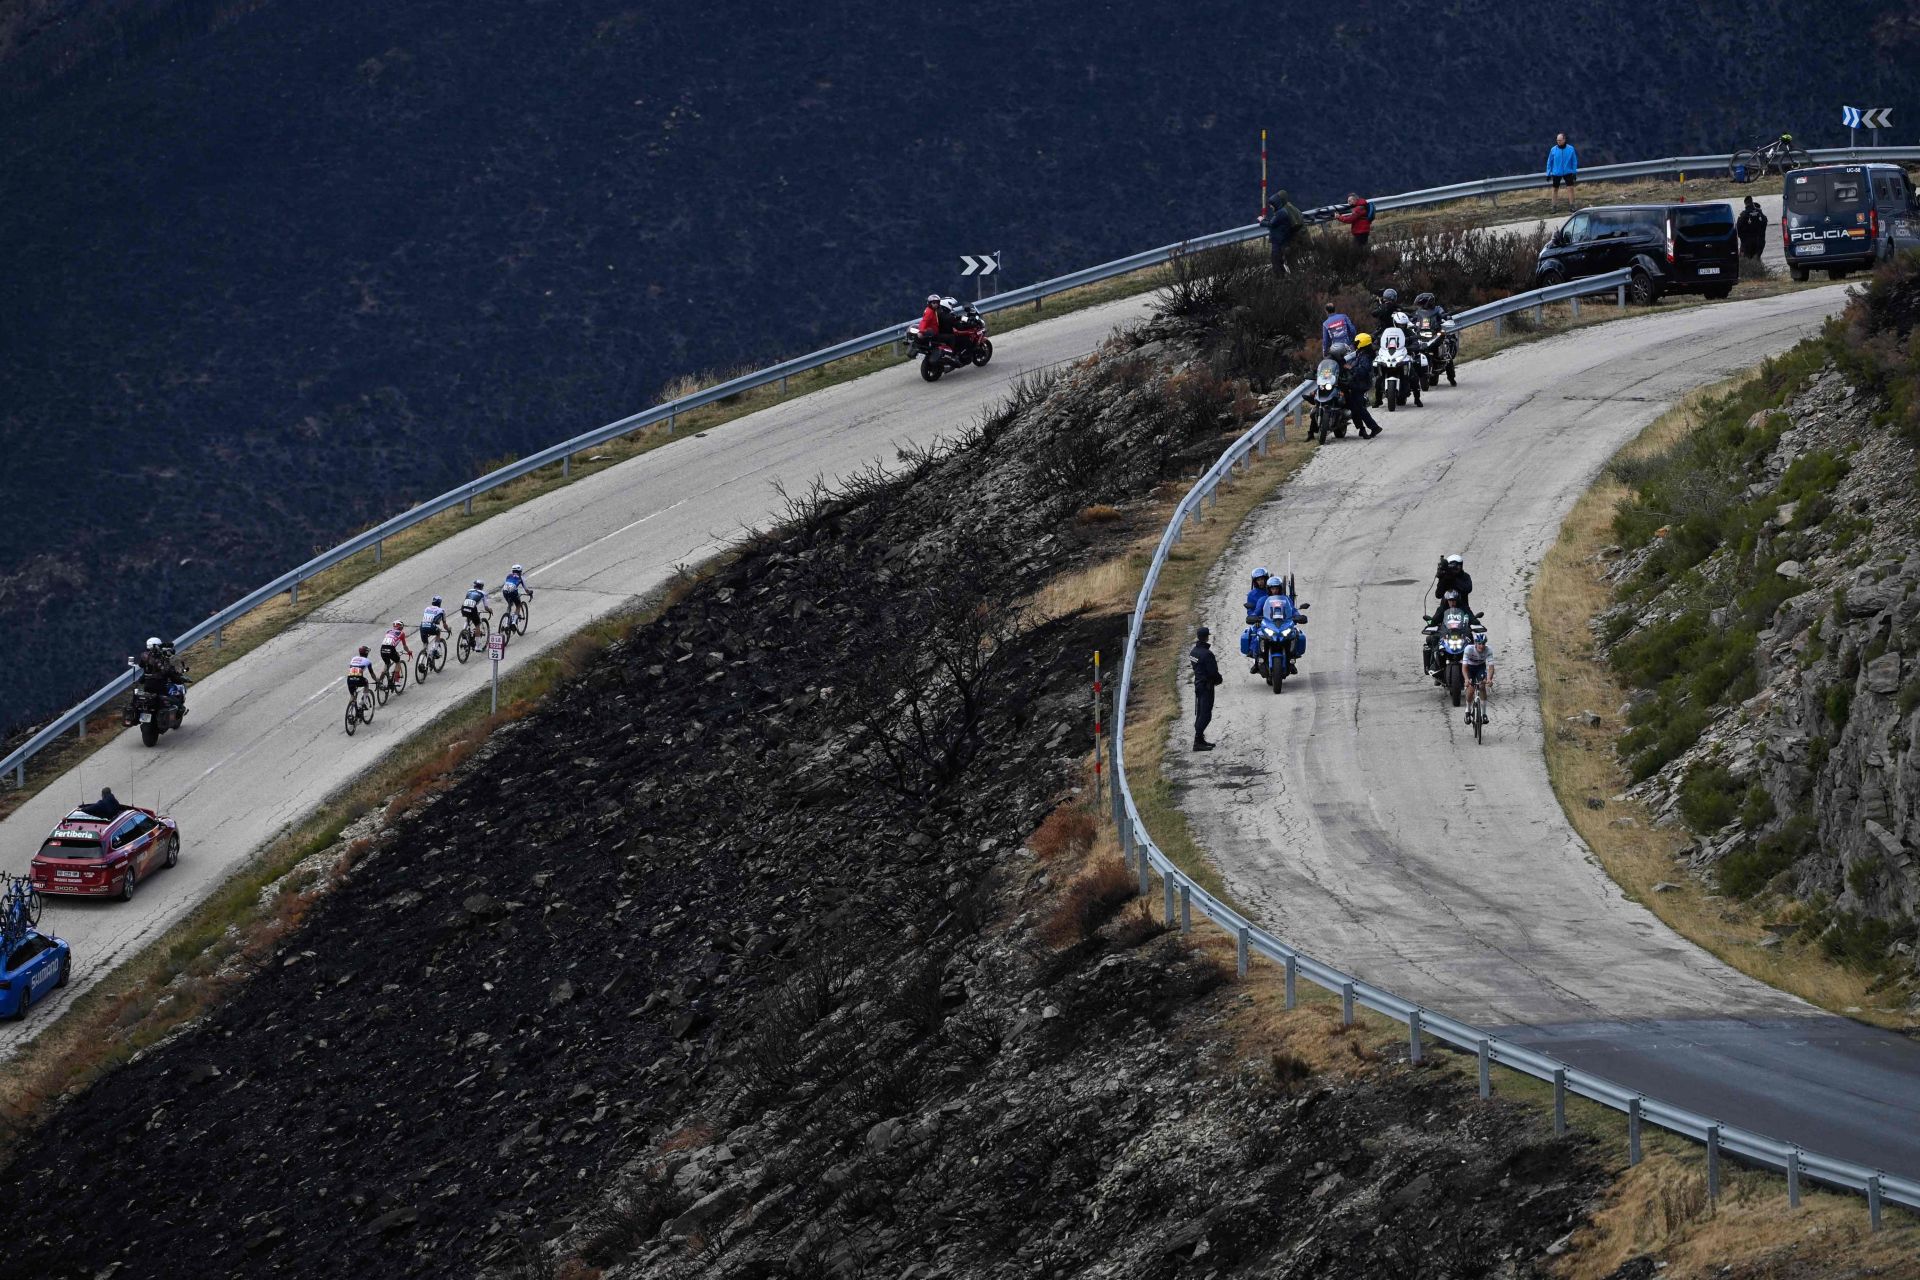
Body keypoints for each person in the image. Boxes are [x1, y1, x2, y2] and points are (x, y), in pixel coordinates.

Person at [1342, 335, 1382, 439]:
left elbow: (1363, 371)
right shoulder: (1361, 353)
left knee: (1358, 408)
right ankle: (1361, 429)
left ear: (1362, 343)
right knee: (1354, 406)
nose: (1355, 344)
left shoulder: (1365, 356)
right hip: (1357, 383)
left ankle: (1374, 427)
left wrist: (1350, 368)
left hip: (1360, 384)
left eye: (1356, 342)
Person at [1190, 626, 1222, 751]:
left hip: (1199, 685)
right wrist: (1219, 679)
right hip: (1207, 686)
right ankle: (1197, 741)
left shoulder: (1193, 652)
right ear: (1207, 637)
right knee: (1205, 714)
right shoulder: (1207, 654)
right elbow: (1213, 672)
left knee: (1200, 712)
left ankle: (1200, 739)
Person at [1260, 189, 1303, 275]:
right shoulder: (1283, 211)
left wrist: (1261, 221)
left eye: (1271, 205)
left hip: (1280, 242)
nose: (1270, 207)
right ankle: (1293, 279)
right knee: (1287, 262)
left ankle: (1282, 281)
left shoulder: (1280, 213)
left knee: (1277, 262)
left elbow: (1271, 223)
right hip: (1282, 241)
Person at [1462, 632, 1494, 723]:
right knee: (1471, 689)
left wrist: (1489, 679)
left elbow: (1491, 667)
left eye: (1483, 643)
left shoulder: (1488, 650)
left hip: (1480, 667)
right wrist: (1466, 679)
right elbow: (1464, 667)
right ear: (1475, 643)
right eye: (1479, 643)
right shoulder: (1468, 649)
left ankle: (1484, 714)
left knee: (1482, 686)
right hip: (1469, 668)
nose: (1481, 646)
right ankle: (1467, 711)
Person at [1546, 133, 1579, 209]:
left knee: (1570, 188)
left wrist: (1574, 172)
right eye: (1557, 140)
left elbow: (1574, 161)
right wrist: (1548, 173)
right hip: (1556, 172)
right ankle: (1554, 206)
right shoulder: (1553, 149)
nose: (1558, 142)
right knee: (1555, 189)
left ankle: (1572, 205)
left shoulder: (1571, 149)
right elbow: (1549, 161)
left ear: (1564, 140)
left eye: (1560, 140)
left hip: (1568, 172)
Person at [380, 619, 412, 684]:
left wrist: (395, 651)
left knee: (387, 664)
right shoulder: (402, 633)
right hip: (391, 648)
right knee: (397, 662)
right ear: (400, 627)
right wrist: (409, 652)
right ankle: (397, 680)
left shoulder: (388, 631)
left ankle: (380, 681)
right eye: (402, 627)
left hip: (382, 648)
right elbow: (404, 646)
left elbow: (389, 642)